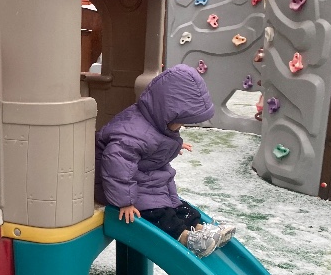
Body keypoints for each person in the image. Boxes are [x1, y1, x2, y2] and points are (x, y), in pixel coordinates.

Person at [95, 64, 235, 258]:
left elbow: (155, 142)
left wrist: (176, 145)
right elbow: (116, 164)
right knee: (159, 214)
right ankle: (187, 239)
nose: (180, 127)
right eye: (180, 121)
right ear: (167, 113)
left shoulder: (155, 122)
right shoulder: (133, 133)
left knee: (177, 206)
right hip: (119, 189)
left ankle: (200, 229)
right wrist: (125, 202)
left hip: (144, 181)